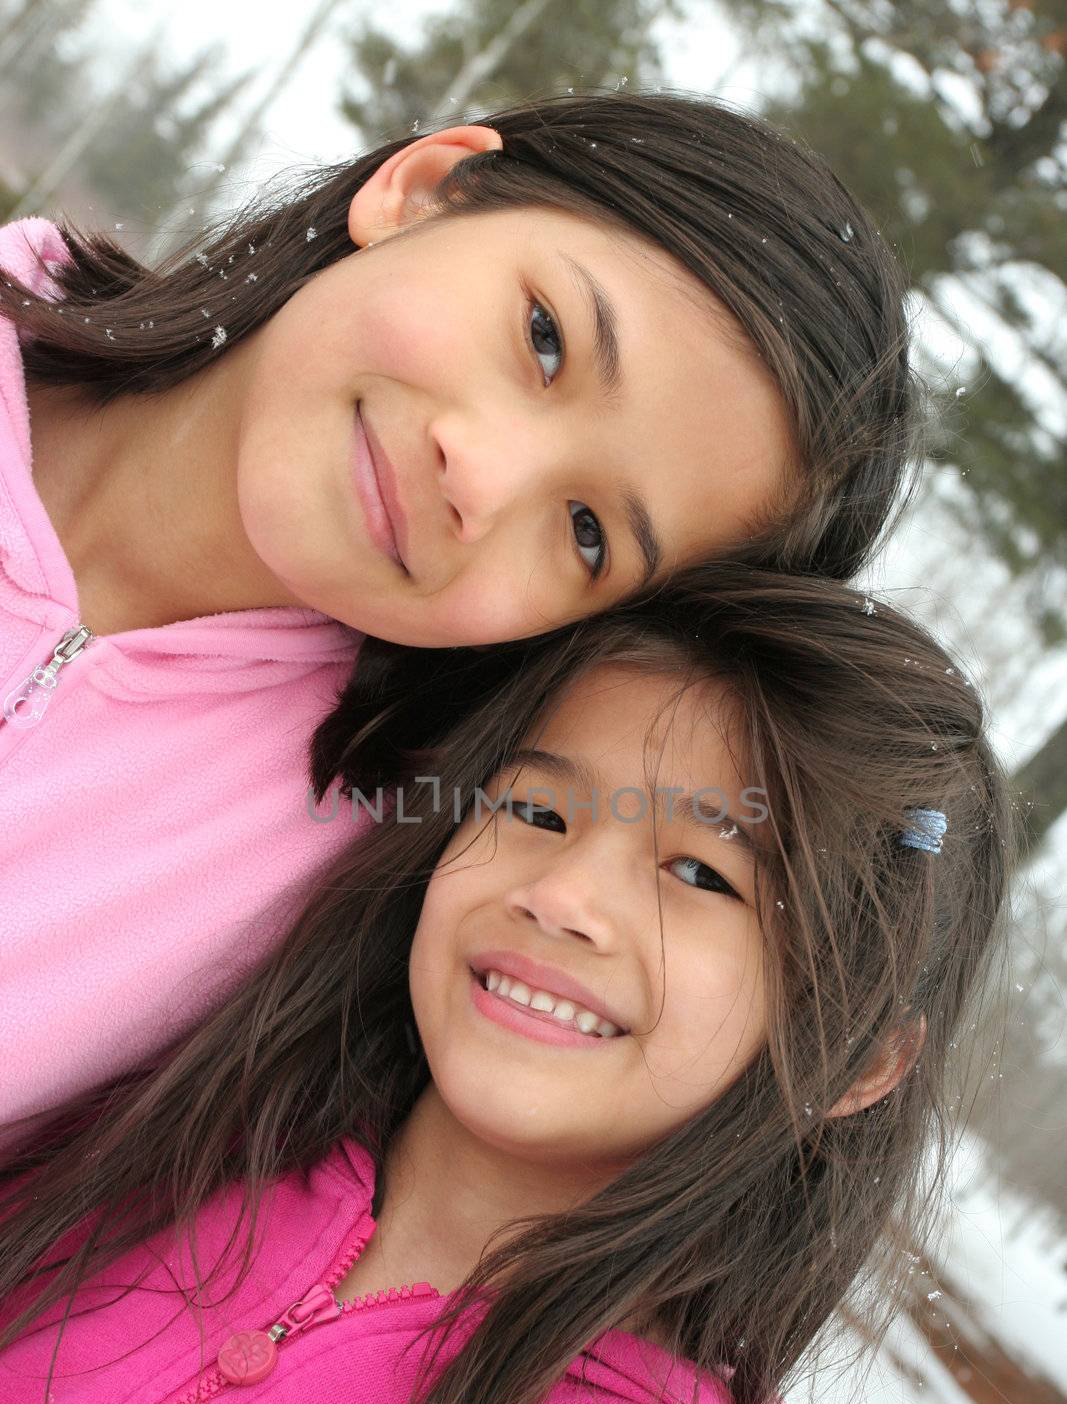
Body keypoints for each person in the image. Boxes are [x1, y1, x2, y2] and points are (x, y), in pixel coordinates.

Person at [0, 564, 1013, 1404]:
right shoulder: (186, 1131)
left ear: (860, 1059)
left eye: (702, 874)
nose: (562, 895)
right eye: (535, 809)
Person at [0, 88, 920, 1118]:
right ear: (422, 189)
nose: (478, 478)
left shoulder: (372, 886)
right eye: (544, 340)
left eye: (585, 531)